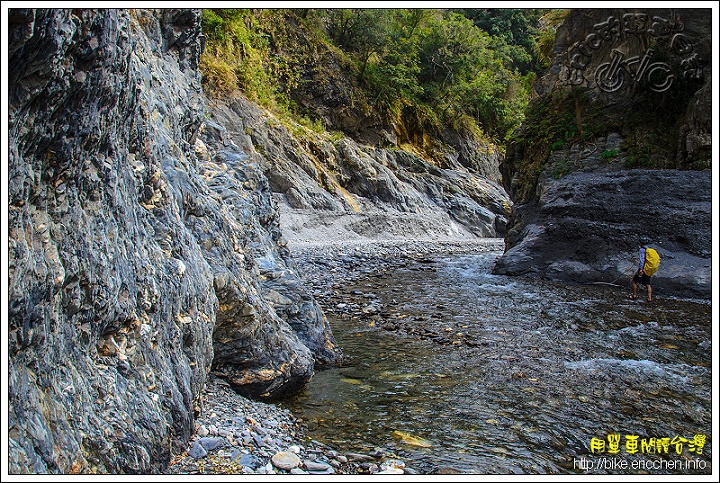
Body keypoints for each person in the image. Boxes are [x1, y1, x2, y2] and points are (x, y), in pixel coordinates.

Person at [630, 236, 653, 302]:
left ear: (641, 243)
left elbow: (642, 260)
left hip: (643, 269)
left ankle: (634, 295)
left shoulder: (642, 250)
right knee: (648, 284)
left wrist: (640, 269)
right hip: (648, 268)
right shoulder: (649, 249)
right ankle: (649, 298)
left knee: (634, 281)